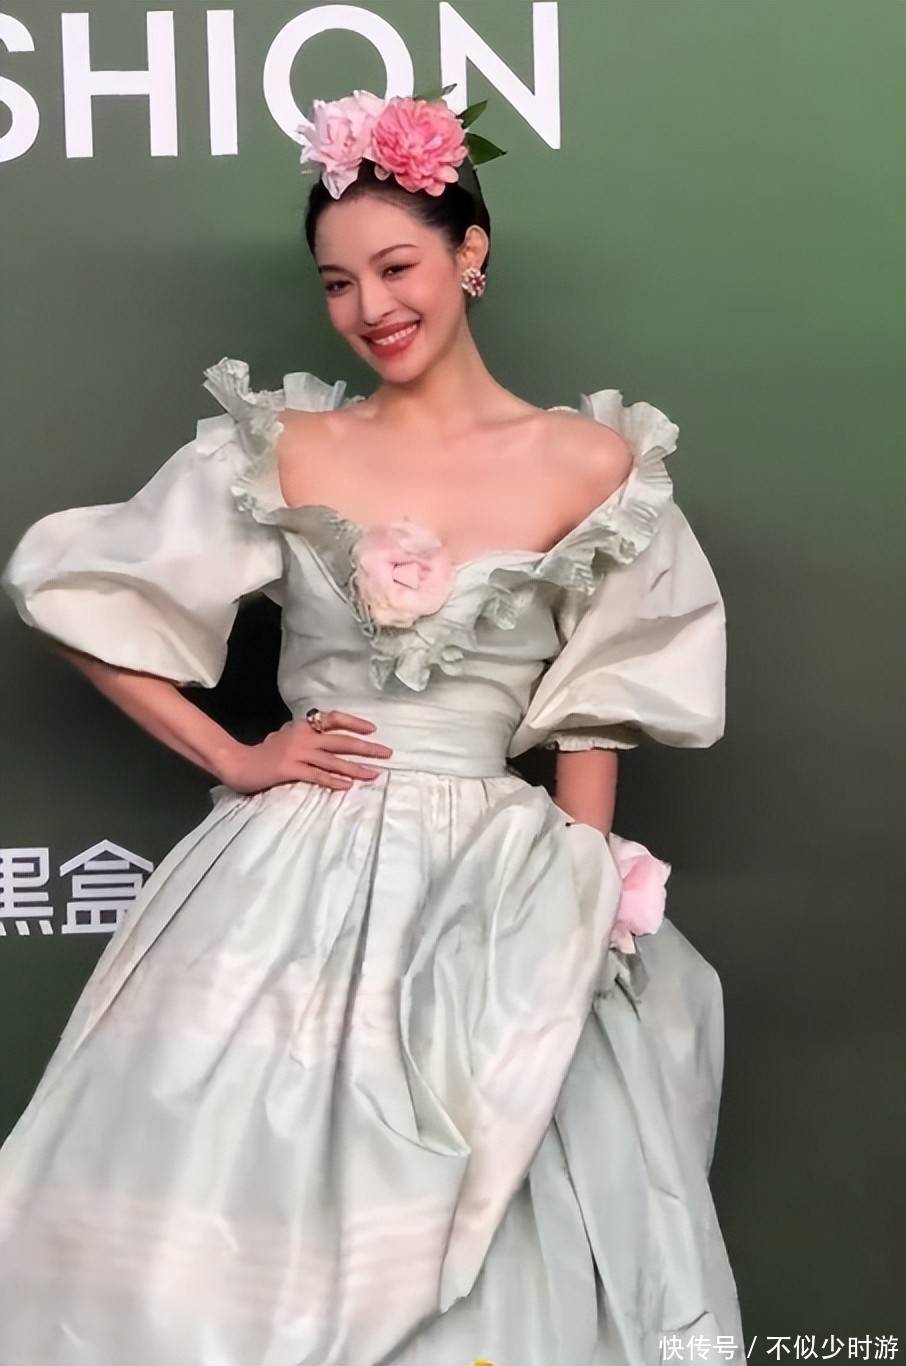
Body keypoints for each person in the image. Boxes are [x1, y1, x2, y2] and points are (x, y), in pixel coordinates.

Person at [0, 89, 745, 1365]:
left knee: (516, 1210)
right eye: (338, 283)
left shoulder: (589, 464)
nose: (370, 307)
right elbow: (73, 590)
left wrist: (578, 897)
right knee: (227, 1210)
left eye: (397, 267)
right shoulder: (287, 446)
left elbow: (598, 716)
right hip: (293, 868)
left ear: (470, 252)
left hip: (495, 883)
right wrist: (236, 755)